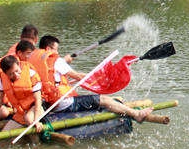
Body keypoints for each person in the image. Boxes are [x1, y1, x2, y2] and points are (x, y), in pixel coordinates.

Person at [29, 35, 159, 122]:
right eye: (56, 49)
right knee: (105, 99)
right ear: (48, 48)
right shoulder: (56, 60)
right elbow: (79, 76)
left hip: (48, 102)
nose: (57, 53)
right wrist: (101, 75)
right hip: (62, 104)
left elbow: (53, 81)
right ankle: (137, 114)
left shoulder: (34, 60)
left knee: (90, 96)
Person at [0, 51, 44, 130]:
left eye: (17, 71)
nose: (16, 75)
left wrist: (36, 120)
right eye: (11, 74)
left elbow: (38, 99)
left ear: (18, 65)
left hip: (36, 107)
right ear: (5, 73)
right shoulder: (2, 78)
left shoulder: (31, 74)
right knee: (4, 134)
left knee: (29, 119)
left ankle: (36, 141)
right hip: (21, 112)